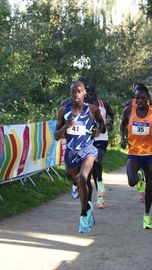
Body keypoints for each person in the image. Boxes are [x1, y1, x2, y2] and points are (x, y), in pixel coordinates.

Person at [54, 80, 106, 233]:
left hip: (88, 149)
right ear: (70, 93)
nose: (76, 94)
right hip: (71, 152)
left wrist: (98, 129)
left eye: (79, 91)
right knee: (76, 180)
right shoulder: (64, 111)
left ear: (84, 93)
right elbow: (56, 136)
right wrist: (65, 126)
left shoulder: (92, 109)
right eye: (73, 92)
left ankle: (83, 216)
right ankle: (88, 205)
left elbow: (102, 126)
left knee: (83, 178)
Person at [120, 83, 152, 229]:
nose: (139, 101)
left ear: (148, 98)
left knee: (150, 188)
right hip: (134, 153)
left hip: (149, 154)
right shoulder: (129, 110)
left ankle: (147, 216)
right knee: (131, 181)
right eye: (137, 98)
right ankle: (138, 178)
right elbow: (122, 124)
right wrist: (123, 138)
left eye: (142, 98)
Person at [86, 82, 114, 209]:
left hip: (102, 138)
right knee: (91, 170)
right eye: (87, 92)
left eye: (92, 92)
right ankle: (98, 193)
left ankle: (100, 184)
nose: (90, 95)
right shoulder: (82, 106)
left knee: (96, 159)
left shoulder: (103, 104)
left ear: (96, 93)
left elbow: (111, 115)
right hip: (87, 139)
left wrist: (108, 125)